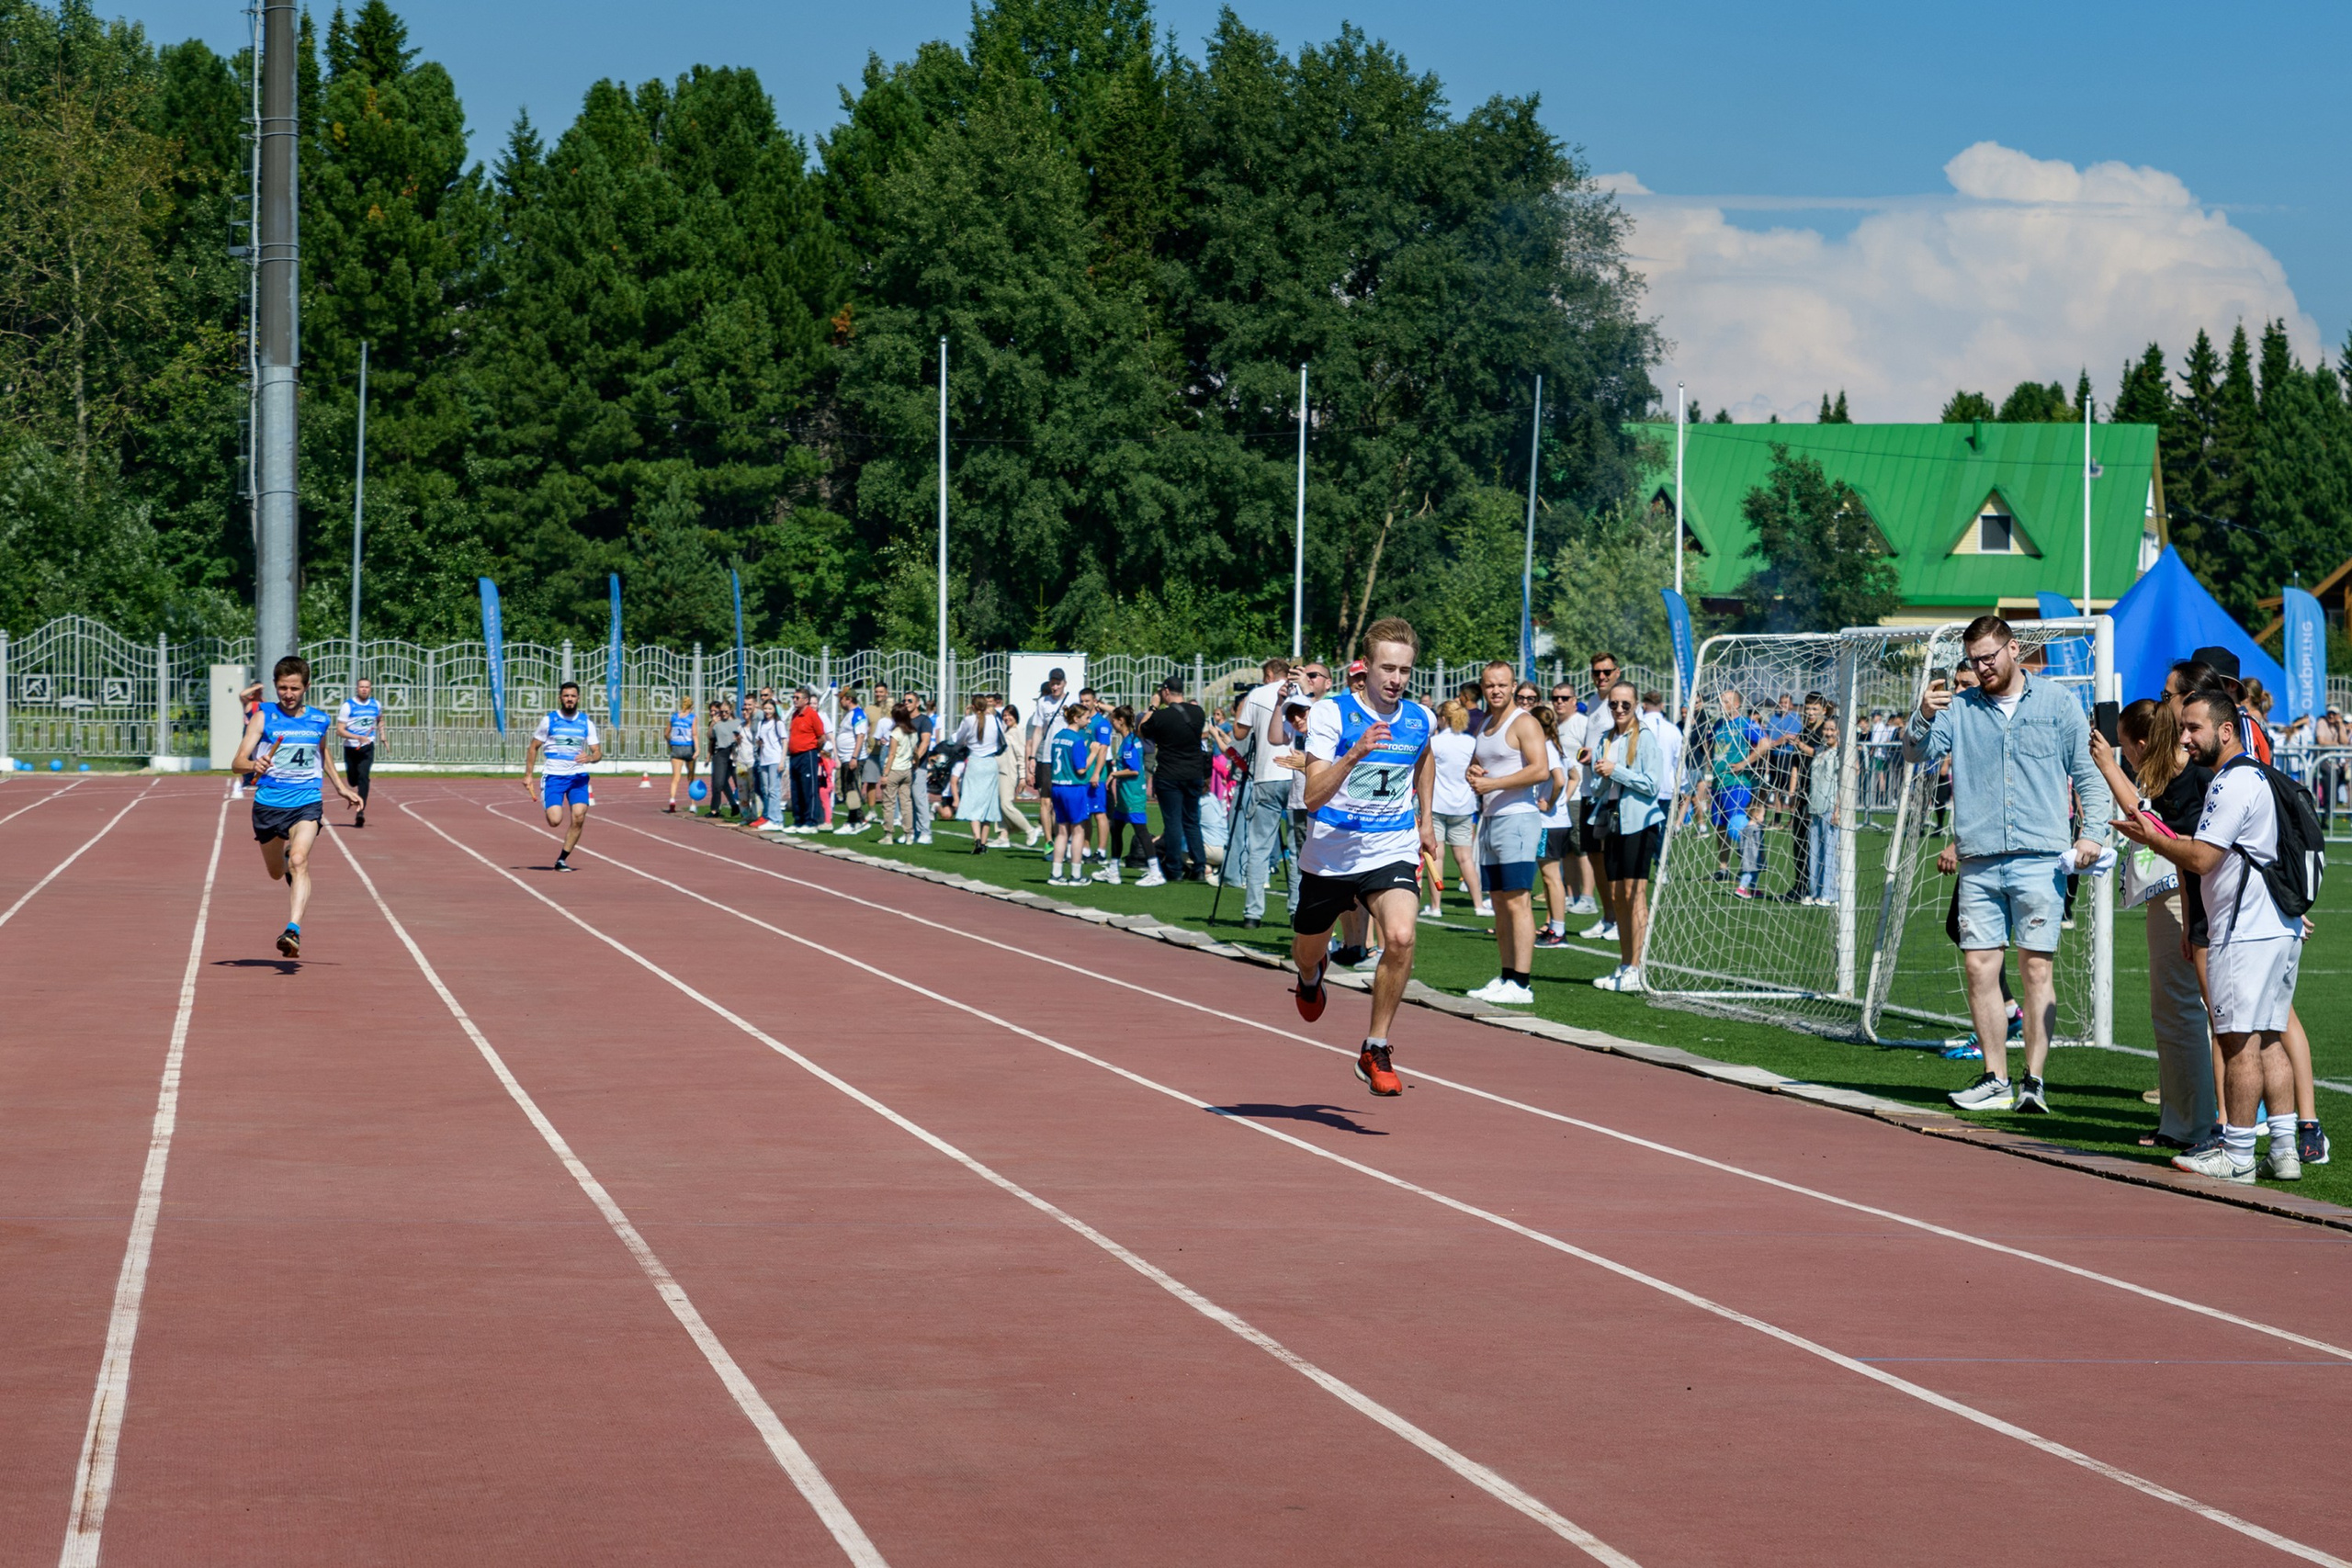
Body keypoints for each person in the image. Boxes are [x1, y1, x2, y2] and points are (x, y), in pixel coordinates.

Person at [1907, 615, 2111, 1114]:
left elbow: (2089, 773)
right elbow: (1916, 752)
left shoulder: (2058, 702)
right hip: (1979, 859)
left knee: (2036, 968)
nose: (1981, 669)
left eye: (1988, 658)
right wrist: (1921, 715)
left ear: (2012, 648)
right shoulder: (1959, 708)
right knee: (1979, 967)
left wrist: (2093, 833)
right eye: (1974, 661)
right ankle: (1995, 1077)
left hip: (2042, 858)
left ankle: (2034, 1081)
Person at [2117, 690, 2307, 1182]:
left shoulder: (2231, 782)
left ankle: (2239, 1151)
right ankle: (2283, 1148)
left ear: (2225, 730)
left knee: (2238, 1042)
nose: (2184, 737)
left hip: (2244, 931)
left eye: (2193, 728)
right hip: (2274, 926)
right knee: (2267, 1038)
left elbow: (2201, 858)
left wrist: (2152, 838)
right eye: (2183, 727)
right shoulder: (2255, 775)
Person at [1287, 618, 1437, 1100]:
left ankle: (1376, 1045)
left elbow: (1424, 755)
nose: (1396, 679)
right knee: (1309, 951)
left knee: (1400, 935)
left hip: (1389, 847)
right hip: (1330, 855)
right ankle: (1311, 978)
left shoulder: (1419, 718)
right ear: (1365, 669)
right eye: (1387, 668)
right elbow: (1312, 796)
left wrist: (1427, 819)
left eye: (1405, 671)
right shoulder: (1332, 713)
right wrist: (1354, 754)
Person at [2090, 698, 2218, 1148]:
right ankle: (2186, 1120)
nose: (2124, 757)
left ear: (2142, 745)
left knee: (2181, 1011)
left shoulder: (2188, 779)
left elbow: (2148, 823)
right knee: (2178, 1012)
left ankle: (2195, 1125)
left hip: (2181, 897)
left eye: (2126, 749)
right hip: (2179, 895)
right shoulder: (2175, 775)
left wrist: (2108, 767)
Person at [232, 654, 363, 956]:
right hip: (268, 804)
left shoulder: (318, 719)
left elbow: (322, 753)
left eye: (294, 688)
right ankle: (286, 856)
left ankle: (293, 930)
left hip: (306, 801)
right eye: (282, 688)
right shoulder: (263, 716)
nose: (288, 694)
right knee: (277, 872)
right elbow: (236, 763)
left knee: (300, 860)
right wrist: (255, 764)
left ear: (306, 687)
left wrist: (341, 787)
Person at [1464, 661, 1551, 1006]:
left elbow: (1540, 769)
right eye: (1489, 685)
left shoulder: (1524, 723)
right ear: (1482, 688)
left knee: (1517, 902)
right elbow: (1481, 763)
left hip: (1518, 819)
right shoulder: (1486, 723)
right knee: (1499, 903)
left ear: (1513, 686)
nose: (1496, 690)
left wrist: (1493, 783)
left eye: (1502, 685)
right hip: (1490, 819)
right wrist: (1474, 772)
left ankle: (1523, 983)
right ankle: (1506, 976)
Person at [1589, 680, 1666, 991]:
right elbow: (1597, 787)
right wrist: (1598, 772)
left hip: (1640, 822)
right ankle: (1624, 964)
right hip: (1613, 821)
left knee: (1635, 896)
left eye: (1625, 704)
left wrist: (1615, 770)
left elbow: (1652, 784)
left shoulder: (1644, 737)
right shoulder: (1607, 738)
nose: (1619, 709)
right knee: (1618, 895)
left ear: (1636, 705)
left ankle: (1637, 967)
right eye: (1614, 704)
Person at [1229, 657, 1298, 931]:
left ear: (1269, 674)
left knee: (1259, 846)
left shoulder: (1257, 694)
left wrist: (1245, 706)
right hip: (1295, 774)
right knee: (1297, 849)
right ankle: (1296, 910)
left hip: (1266, 775)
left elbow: (1239, 732)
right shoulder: (1299, 692)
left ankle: (1253, 913)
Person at [524, 679, 605, 873]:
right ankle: (550, 801)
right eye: (566, 696)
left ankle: (562, 859)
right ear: (560, 698)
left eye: (573, 696)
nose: (570, 699)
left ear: (578, 699)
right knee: (555, 821)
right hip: (554, 776)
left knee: (579, 816)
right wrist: (528, 775)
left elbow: (598, 752)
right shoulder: (549, 720)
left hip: (578, 777)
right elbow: (534, 747)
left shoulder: (586, 722)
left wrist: (591, 758)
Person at [1139, 675, 1207, 886]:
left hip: (1170, 774)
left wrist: (1153, 705)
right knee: (1192, 821)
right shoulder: (1198, 713)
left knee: (1173, 823)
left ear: (1166, 691)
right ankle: (1199, 867)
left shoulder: (1161, 717)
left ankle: (1174, 869)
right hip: (1194, 772)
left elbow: (1140, 730)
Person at [1577, 655, 1622, 934]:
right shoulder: (1593, 702)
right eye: (1597, 672)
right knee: (1594, 857)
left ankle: (1619, 918)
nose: (1601, 677)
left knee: (1612, 859)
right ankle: (1609, 917)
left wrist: (1597, 756)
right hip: (1589, 789)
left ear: (1617, 672)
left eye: (1606, 672)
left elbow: (1625, 741)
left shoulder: (1619, 703)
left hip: (1610, 792)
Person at [1424, 699, 1481, 919]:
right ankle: (1478, 904)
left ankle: (1436, 907)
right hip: (1464, 805)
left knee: (1436, 857)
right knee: (1465, 859)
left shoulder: (1435, 742)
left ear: (1443, 718)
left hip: (1437, 804)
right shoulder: (1470, 742)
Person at [1531, 702, 1572, 942]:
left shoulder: (1547, 748)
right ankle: (1553, 926)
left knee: (1551, 876)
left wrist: (1550, 802)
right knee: (1548, 876)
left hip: (1551, 822)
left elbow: (1559, 779)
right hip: (1552, 821)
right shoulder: (1549, 746)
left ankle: (1558, 929)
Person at [1046, 704, 1096, 886]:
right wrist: (1093, 753)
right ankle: (1076, 875)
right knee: (1078, 831)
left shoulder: (1058, 737)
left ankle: (1056, 873)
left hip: (1058, 786)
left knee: (1061, 831)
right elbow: (1081, 769)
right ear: (1076, 718)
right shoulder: (1076, 739)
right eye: (1086, 718)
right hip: (1074, 788)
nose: (1089, 721)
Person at [953, 693, 1005, 855]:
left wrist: (966, 716)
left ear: (973, 707)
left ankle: (976, 839)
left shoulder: (969, 720)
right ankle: (984, 842)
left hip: (974, 762)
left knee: (972, 801)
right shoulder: (995, 720)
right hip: (990, 763)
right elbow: (1001, 739)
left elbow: (957, 739)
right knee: (987, 803)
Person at [334, 674, 381, 827]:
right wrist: (357, 737)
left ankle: (360, 811)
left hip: (368, 747)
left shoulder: (376, 705)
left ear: (370, 689)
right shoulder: (348, 706)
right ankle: (353, 782)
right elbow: (339, 731)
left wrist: (383, 735)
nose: (364, 689)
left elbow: (380, 719)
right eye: (362, 687)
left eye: (367, 687)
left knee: (363, 777)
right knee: (353, 779)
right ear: (357, 688)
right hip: (351, 747)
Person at [1804, 708, 1841, 906]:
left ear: (1839, 732)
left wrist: (1838, 809)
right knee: (1815, 853)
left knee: (1829, 852)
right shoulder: (1819, 751)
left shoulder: (1840, 754)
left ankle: (1830, 893)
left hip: (1830, 808)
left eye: (1832, 729)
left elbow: (1845, 781)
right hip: (1815, 808)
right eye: (1826, 729)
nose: (1828, 733)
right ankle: (1815, 891)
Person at [785, 687, 828, 831]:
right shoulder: (795, 714)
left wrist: (811, 747)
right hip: (795, 755)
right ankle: (798, 820)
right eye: (794, 698)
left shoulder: (812, 715)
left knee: (808, 788)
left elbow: (821, 736)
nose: (794, 700)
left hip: (807, 754)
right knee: (796, 789)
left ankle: (811, 821)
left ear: (806, 700)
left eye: (797, 698)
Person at [876, 700, 920, 842]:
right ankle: (908, 834)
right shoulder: (913, 732)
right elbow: (915, 752)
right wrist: (916, 764)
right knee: (906, 803)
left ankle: (888, 834)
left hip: (895, 769)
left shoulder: (896, 733)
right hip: (907, 770)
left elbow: (892, 754)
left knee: (889, 803)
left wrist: (885, 774)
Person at [831, 687, 869, 833]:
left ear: (849, 699)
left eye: (841, 698)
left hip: (852, 758)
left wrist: (854, 757)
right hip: (846, 758)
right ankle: (854, 821)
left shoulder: (858, 714)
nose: (840, 701)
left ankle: (859, 820)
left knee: (852, 789)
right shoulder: (849, 714)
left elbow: (860, 737)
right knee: (848, 790)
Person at [749, 695, 786, 830]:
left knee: (773, 790)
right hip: (764, 759)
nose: (768, 711)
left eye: (770, 709)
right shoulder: (761, 724)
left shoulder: (778, 723)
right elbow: (759, 740)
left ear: (774, 710)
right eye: (765, 709)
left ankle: (777, 819)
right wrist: (759, 744)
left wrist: (782, 760)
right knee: (766, 790)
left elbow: (784, 741)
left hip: (775, 759)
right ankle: (770, 817)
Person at [707, 698, 741, 819]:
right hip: (721, 753)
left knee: (739, 782)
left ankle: (743, 809)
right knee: (718, 783)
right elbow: (710, 737)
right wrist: (712, 724)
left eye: (726, 712)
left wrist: (738, 740)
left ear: (731, 710)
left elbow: (743, 736)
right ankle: (714, 809)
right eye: (721, 712)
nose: (723, 714)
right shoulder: (717, 723)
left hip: (734, 753)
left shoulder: (738, 722)